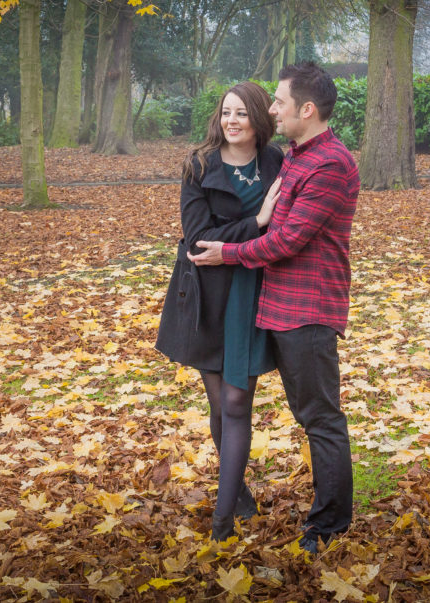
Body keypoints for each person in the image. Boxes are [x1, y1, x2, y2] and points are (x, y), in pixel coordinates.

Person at [187, 62, 359, 554]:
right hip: (274, 307)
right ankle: (243, 501)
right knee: (271, 409)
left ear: (307, 109)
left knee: (320, 418)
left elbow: (287, 239)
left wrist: (227, 252)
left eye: (279, 101)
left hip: (306, 310)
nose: (272, 109)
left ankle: (329, 526)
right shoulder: (297, 157)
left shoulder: (329, 164)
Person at [155, 81, 284, 543]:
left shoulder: (276, 162)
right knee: (220, 403)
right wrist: (257, 223)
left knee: (235, 401)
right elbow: (197, 239)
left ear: (258, 120)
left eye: (241, 114)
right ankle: (238, 497)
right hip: (208, 294)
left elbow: (282, 228)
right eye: (226, 112)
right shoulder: (199, 165)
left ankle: (222, 518)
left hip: (257, 290)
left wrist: (245, 236)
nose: (231, 121)